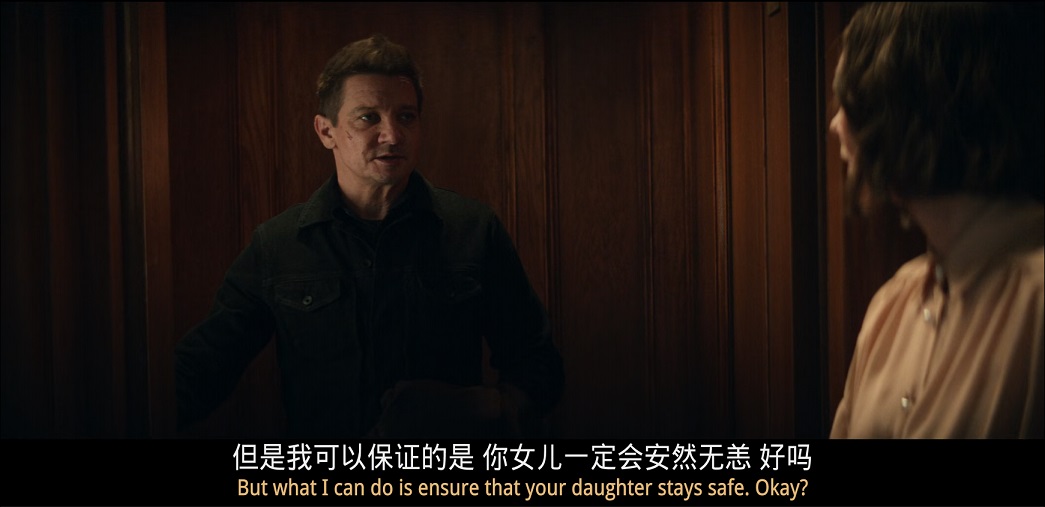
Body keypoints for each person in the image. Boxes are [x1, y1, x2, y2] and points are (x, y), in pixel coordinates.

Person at [175, 35, 564, 439]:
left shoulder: (474, 230)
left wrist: (477, 406)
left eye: (406, 116)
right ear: (326, 131)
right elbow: (202, 369)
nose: (392, 135)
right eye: (368, 118)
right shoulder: (279, 245)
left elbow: (539, 364)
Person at [828, 2, 1043, 438]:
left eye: (850, 100)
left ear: (906, 106)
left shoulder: (1035, 307)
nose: (836, 125)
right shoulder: (891, 306)